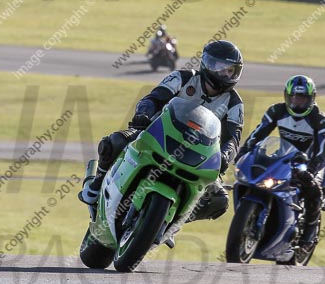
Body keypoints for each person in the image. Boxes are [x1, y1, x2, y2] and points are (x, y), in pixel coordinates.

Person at [80, 40, 244, 225]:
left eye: (231, 70)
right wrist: (143, 114)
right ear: (207, 64)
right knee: (114, 142)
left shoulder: (234, 103)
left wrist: (225, 155)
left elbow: (233, 137)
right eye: (221, 67)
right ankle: (96, 185)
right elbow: (153, 98)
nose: (226, 74)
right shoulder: (182, 77)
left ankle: (175, 222)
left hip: (200, 154)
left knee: (220, 201)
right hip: (158, 134)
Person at [236, 75, 325, 252]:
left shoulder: (320, 120)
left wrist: (311, 171)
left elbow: (321, 152)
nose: (297, 102)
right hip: (284, 156)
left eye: (301, 98)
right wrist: (243, 152)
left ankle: (308, 237)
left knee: (313, 191)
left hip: (310, 163)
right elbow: (258, 134)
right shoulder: (276, 111)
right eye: (293, 97)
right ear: (286, 96)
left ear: (311, 99)